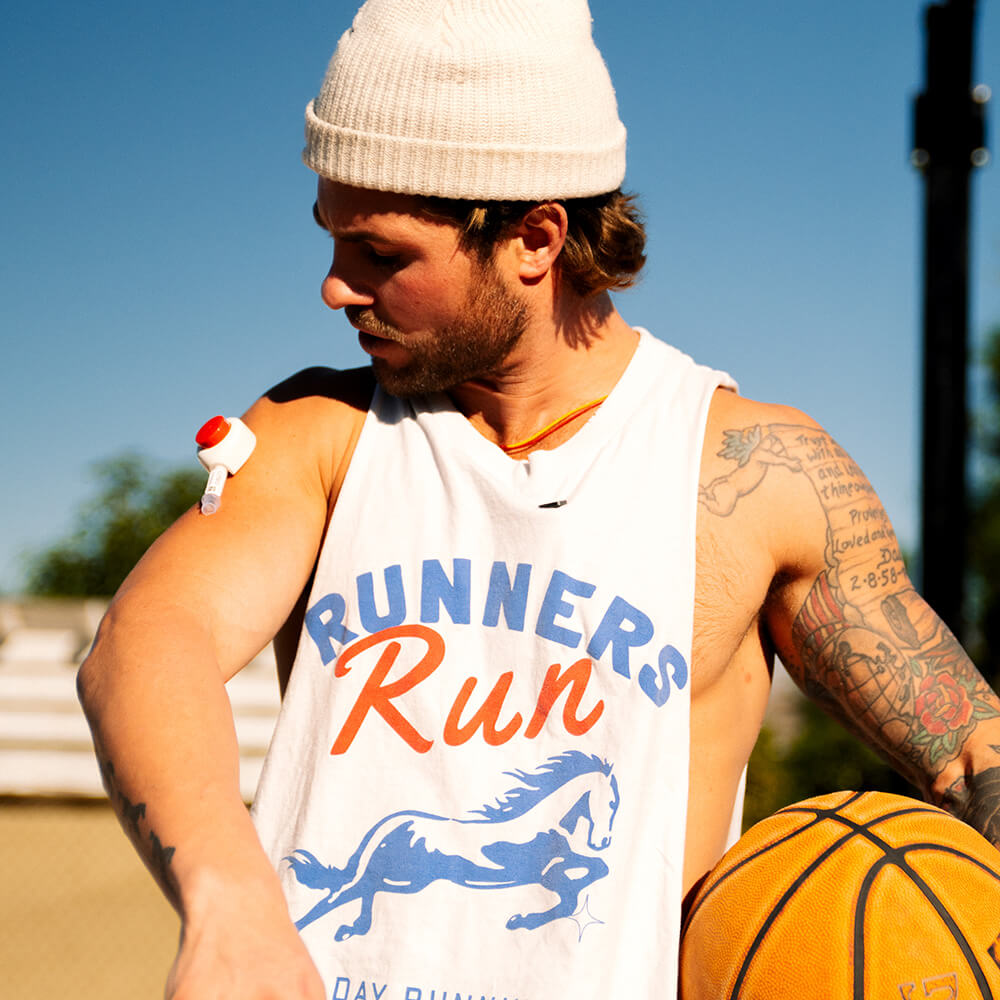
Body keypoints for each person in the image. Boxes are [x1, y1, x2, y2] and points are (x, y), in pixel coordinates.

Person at [78, 1, 1000, 997]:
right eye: (332, 241)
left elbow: (965, 754)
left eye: (379, 254)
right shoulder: (319, 437)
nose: (334, 288)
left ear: (533, 237)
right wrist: (231, 899)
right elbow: (145, 643)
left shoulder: (750, 472)